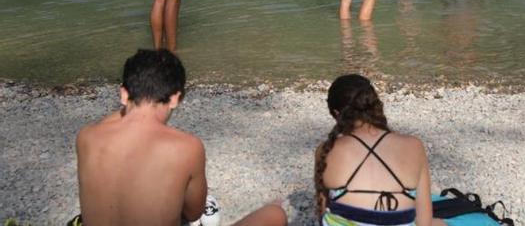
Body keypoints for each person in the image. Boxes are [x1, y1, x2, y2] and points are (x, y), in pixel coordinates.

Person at [73, 49, 286, 226]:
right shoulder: (186, 147)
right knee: (274, 215)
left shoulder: (86, 137)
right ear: (175, 98)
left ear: (123, 93)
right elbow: (193, 213)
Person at [314, 74, 444, 226]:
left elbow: (322, 211)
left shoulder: (327, 149)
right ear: (374, 105)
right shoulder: (414, 145)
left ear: (337, 113)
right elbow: (424, 221)